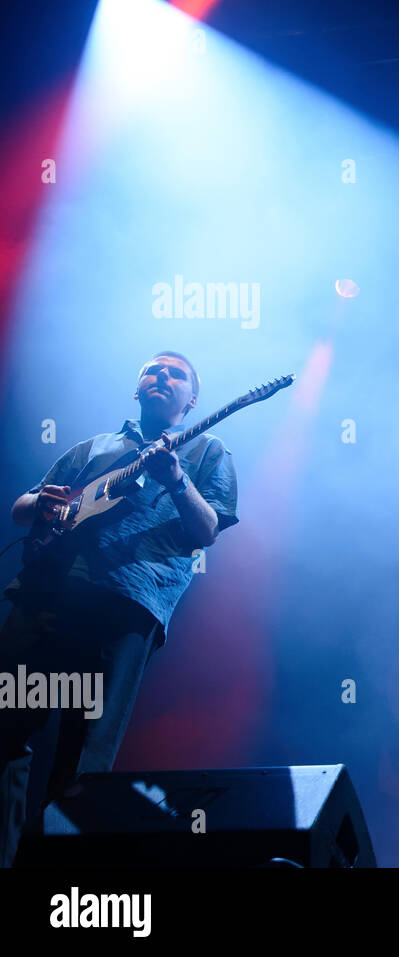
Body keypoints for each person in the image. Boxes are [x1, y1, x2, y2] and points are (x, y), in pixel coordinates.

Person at [0, 352, 238, 866]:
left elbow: (207, 530)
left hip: (127, 607)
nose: (162, 377)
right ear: (137, 389)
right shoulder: (96, 447)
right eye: (153, 370)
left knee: (83, 762)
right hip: (43, 596)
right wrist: (40, 504)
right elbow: (24, 505)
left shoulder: (208, 449)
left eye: (177, 374)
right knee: (3, 732)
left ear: (192, 400)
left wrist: (176, 479)